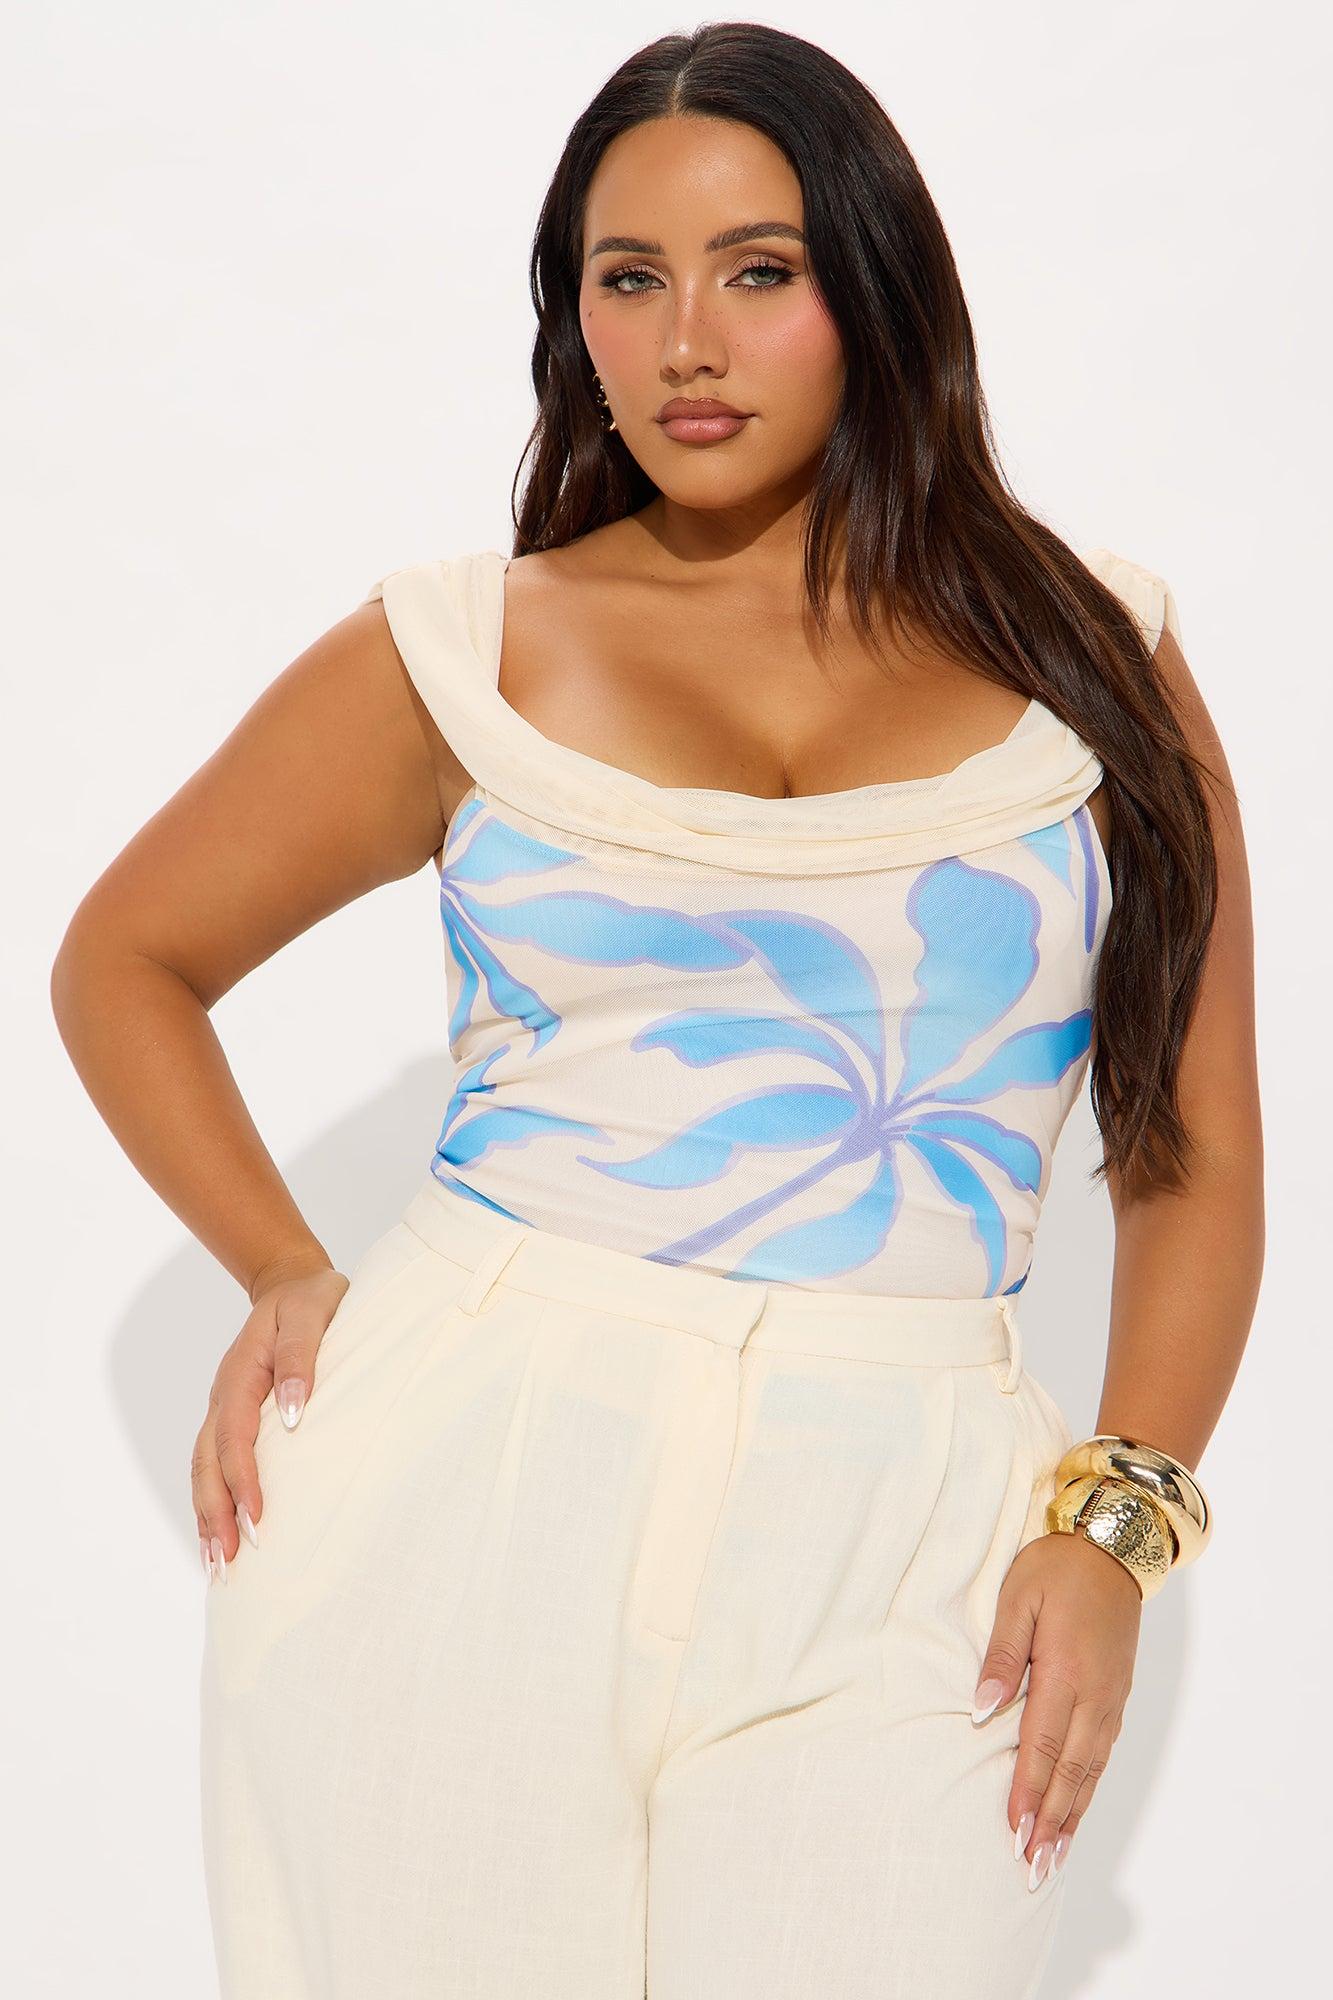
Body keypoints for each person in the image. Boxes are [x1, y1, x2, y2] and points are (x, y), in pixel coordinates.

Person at [50, 21, 1260, 2000]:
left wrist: (1116, 1526)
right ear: (576, 320)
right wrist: (276, 1263)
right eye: (629, 279)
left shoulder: (1098, 661)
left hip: (917, 1511)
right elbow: (125, 958)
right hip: (464, 1472)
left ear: (874, 287)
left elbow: (1186, 1153)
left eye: (757, 270)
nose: (687, 340)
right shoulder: (464, 651)